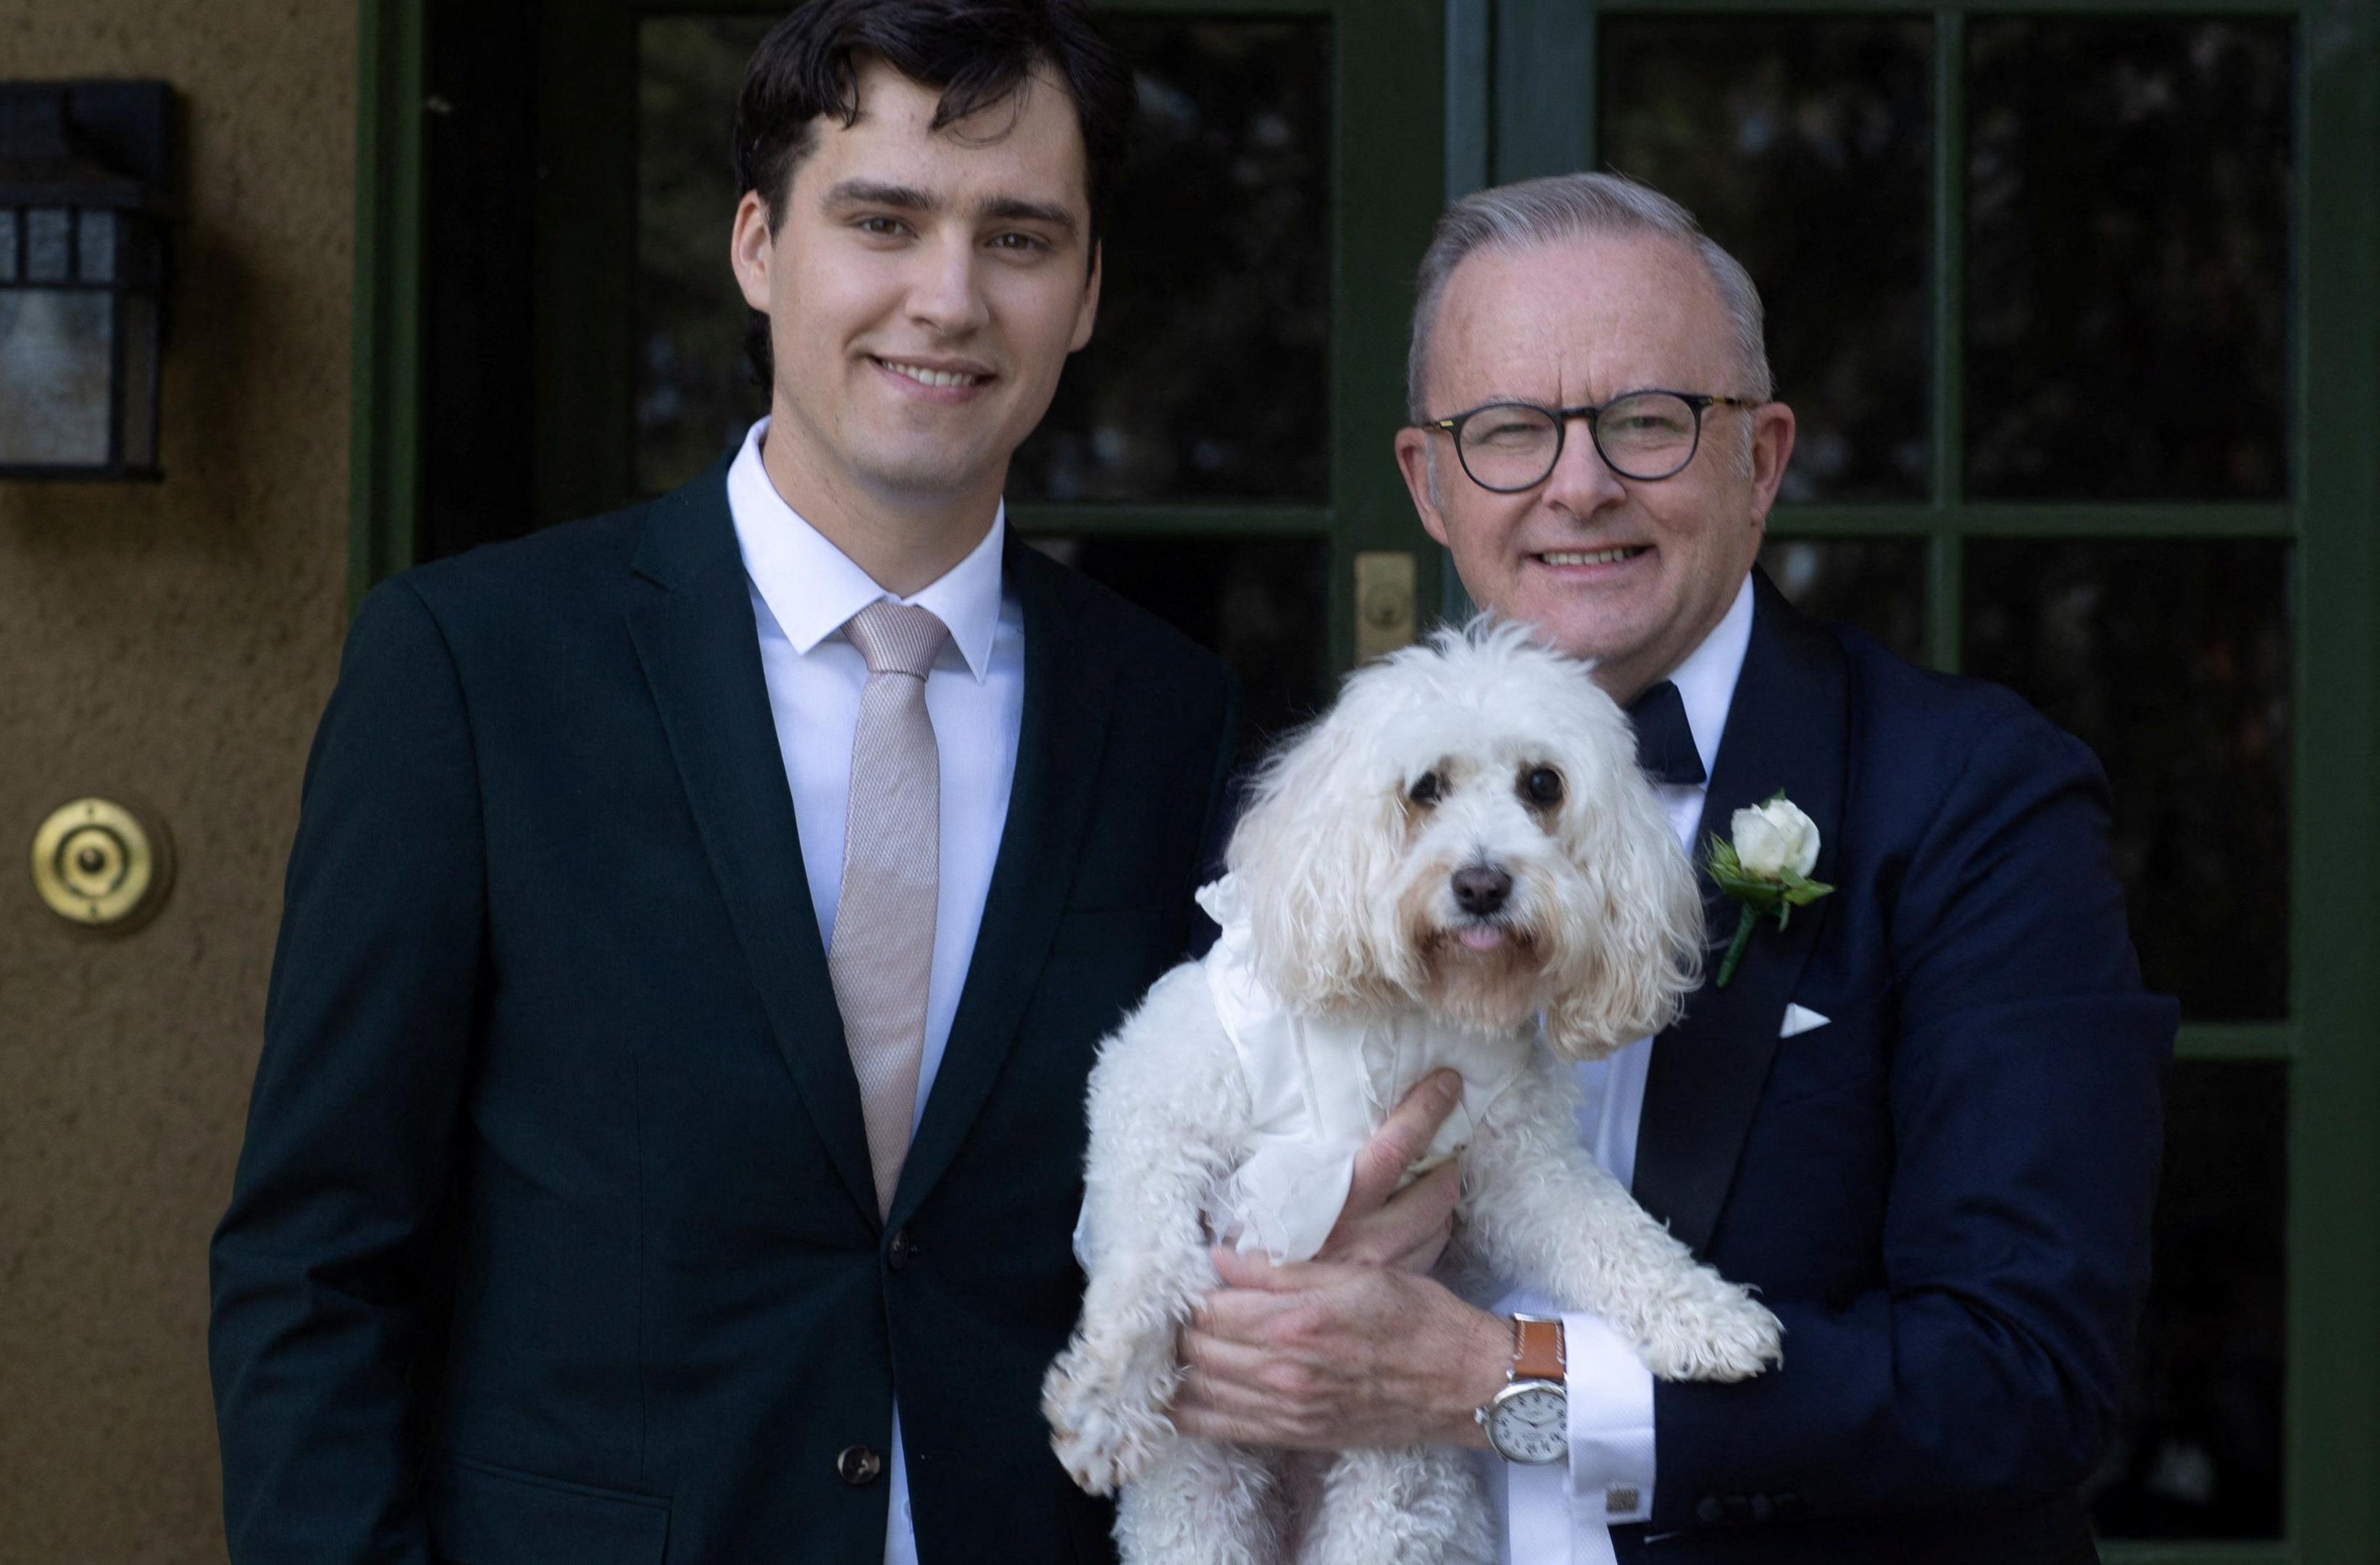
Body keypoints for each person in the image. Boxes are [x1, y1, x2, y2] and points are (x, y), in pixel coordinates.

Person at [206, 2, 1238, 1561]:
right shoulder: (477, 669)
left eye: (1019, 239)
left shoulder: (1172, 720)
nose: (948, 298)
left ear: (1086, 293)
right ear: (760, 245)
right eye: (882, 221)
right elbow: (317, 1262)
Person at [1169, 172, 2176, 1564]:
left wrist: (1499, 1386)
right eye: (1511, 432)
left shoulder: (1973, 799)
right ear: (1431, 485)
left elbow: (2021, 1377)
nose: (1580, 487)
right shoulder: (1320, 830)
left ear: (1760, 461)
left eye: (1647, 423)